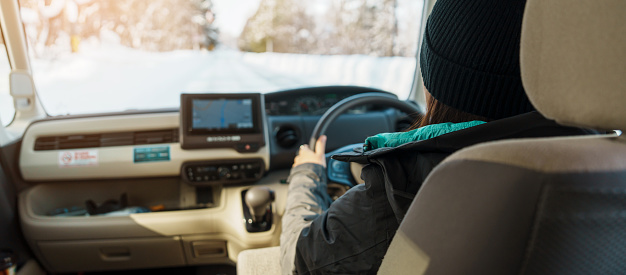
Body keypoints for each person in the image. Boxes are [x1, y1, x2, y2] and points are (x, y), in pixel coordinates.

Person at [280, 0, 598, 274]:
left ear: (435, 81)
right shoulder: (599, 168)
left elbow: (302, 259)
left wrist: (307, 174)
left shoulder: (405, 189)